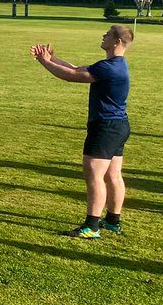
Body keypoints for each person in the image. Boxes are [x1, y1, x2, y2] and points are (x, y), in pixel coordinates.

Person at [31, 26, 133, 239]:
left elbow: (71, 76)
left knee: (94, 174)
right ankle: (112, 221)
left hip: (105, 128)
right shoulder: (114, 65)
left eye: (107, 34)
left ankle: (92, 227)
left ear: (117, 42)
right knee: (113, 174)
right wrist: (53, 58)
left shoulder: (109, 67)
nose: (103, 36)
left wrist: (44, 61)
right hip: (118, 126)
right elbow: (77, 68)